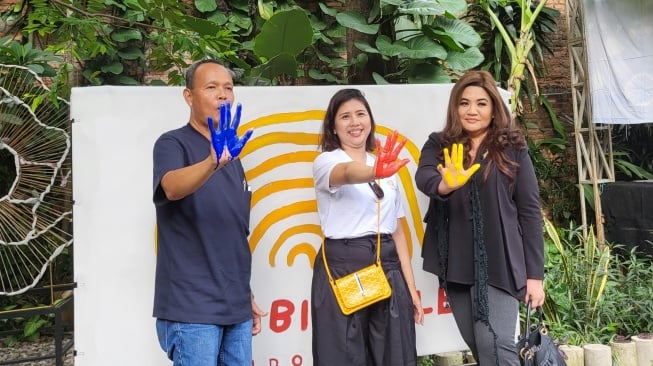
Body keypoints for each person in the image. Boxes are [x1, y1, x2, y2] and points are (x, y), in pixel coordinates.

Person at [414, 70, 545, 366]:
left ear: (494, 108)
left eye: (481, 103)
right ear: (455, 107)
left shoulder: (512, 149)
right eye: (464, 103)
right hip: (455, 263)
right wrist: (446, 184)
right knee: (479, 345)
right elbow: (424, 177)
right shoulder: (440, 145)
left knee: (496, 347)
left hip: (499, 263)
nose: (471, 110)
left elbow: (529, 213)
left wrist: (535, 275)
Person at [152, 59, 266, 365]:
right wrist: (212, 162)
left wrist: (246, 296)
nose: (222, 95)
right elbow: (172, 187)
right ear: (189, 96)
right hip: (192, 308)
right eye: (211, 87)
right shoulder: (172, 143)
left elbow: (233, 232)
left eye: (228, 88)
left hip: (235, 305)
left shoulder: (234, 157)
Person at [311, 88, 424, 366]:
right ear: (333, 127)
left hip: (387, 265)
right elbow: (346, 174)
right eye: (345, 117)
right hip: (343, 266)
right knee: (344, 355)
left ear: (370, 120)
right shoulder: (327, 161)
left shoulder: (384, 164)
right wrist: (375, 173)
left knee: (394, 353)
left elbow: (397, 231)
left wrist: (410, 287)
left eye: (360, 114)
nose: (354, 122)